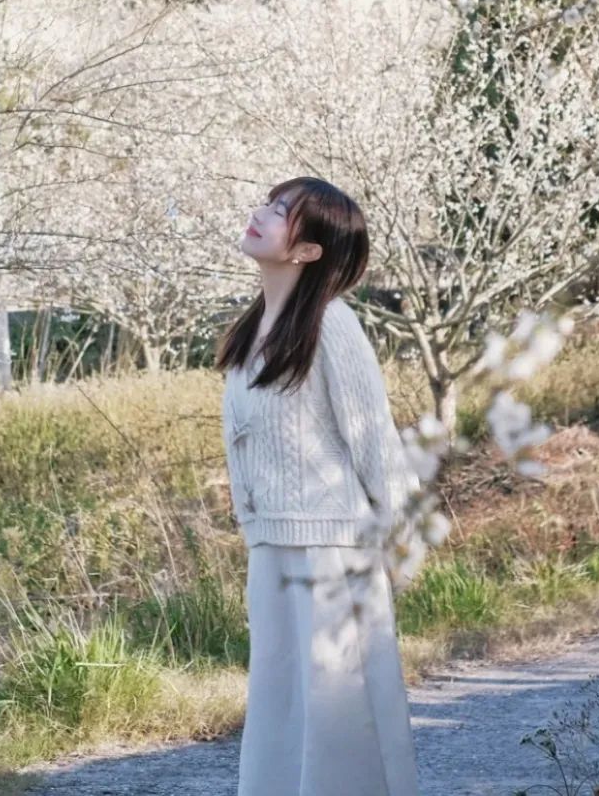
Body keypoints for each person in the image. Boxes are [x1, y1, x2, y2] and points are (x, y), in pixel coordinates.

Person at [216, 175, 422, 796]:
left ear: (308, 250)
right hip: (274, 548)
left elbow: (375, 440)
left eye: (282, 212)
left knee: (341, 718)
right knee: (280, 709)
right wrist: (252, 527)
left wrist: (400, 544)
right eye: (270, 203)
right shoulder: (254, 330)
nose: (262, 215)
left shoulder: (333, 325)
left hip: (335, 551)